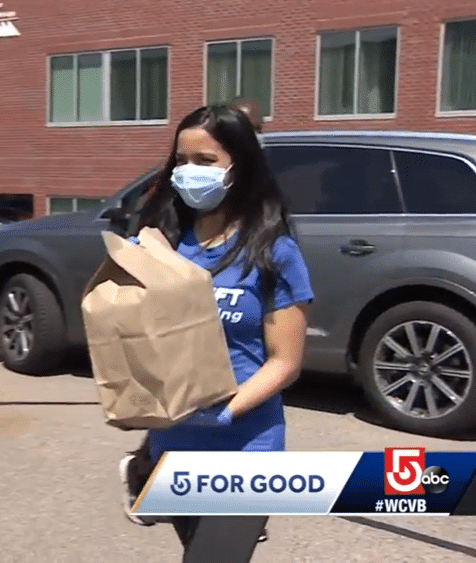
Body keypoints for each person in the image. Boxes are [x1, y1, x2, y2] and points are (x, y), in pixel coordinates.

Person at [117, 105, 313, 562]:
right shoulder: (156, 244)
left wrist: (226, 410)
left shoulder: (273, 253)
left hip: (247, 447)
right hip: (175, 445)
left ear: (239, 168)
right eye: (181, 161)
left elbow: (285, 361)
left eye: (205, 161)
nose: (189, 173)